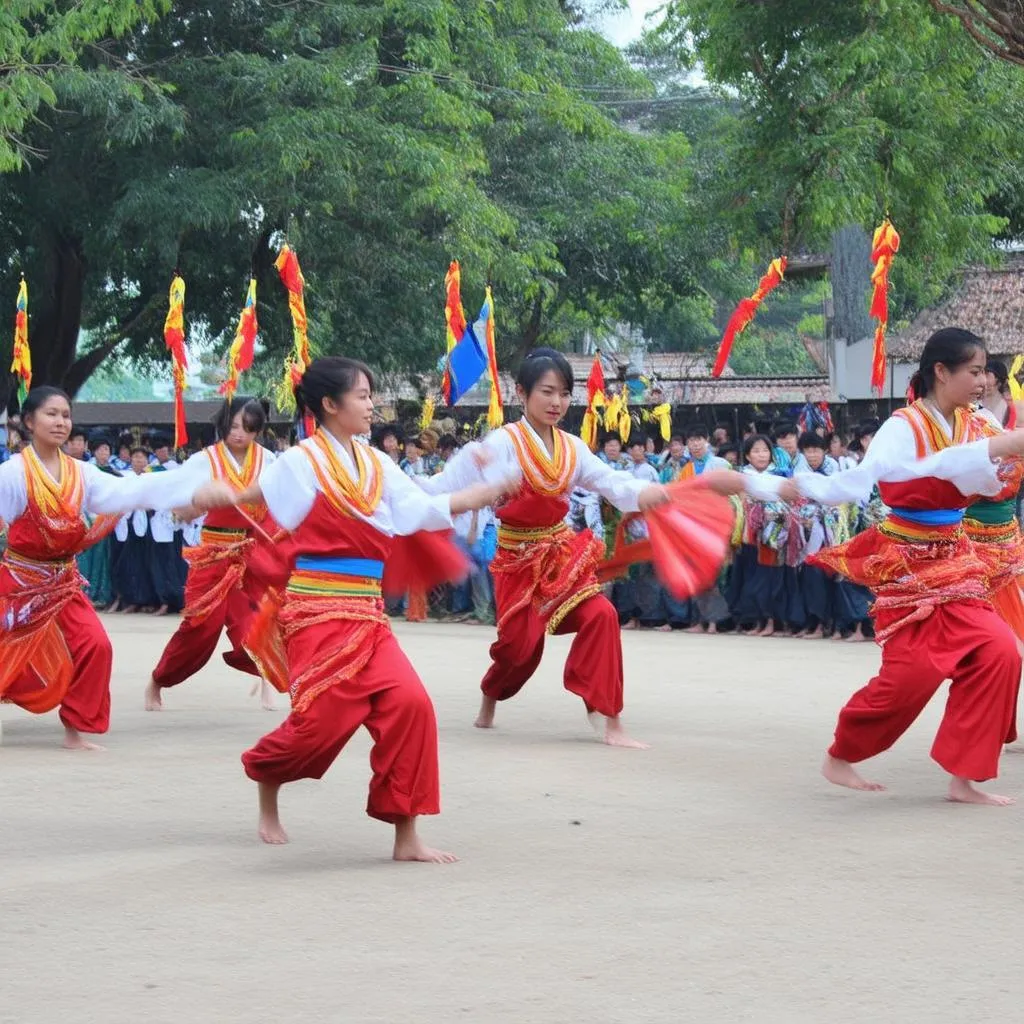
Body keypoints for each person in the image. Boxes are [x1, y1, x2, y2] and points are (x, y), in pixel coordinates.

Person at [203, 356, 506, 859]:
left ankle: (407, 837)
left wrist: (469, 491)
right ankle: (266, 775)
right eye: (363, 396)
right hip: (317, 612)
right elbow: (259, 497)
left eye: (370, 395)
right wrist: (221, 494)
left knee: (412, 706)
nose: (372, 405)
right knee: (317, 728)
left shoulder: (376, 463)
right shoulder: (301, 462)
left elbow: (413, 506)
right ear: (330, 405)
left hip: (367, 613)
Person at [708, 328, 1024, 804]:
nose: (983, 382)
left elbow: (997, 465)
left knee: (1001, 651)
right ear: (942, 372)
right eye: (974, 371)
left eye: (984, 372)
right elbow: (872, 480)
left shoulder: (976, 422)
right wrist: (776, 486)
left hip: (956, 556)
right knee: (912, 675)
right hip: (906, 559)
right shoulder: (904, 427)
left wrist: (1003, 449)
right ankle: (841, 753)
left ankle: (965, 776)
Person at [420, 348, 669, 746]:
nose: (557, 403)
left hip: (560, 554)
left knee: (601, 614)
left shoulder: (573, 447)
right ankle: (490, 695)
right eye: (548, 392)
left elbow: (612, 483)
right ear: (522, 393)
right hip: (516, 559)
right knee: (520, 648)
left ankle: (609, 718)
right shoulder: (502, 443)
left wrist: (649, 493)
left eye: (565, 393)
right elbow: (445, 487)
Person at [0, 387, 228, 749]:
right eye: (51, 414)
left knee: (96, 645)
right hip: (19, 583)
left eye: (65, 415)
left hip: (62, 583)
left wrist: (196, 488)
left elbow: (131, 492)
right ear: (29, 422)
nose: (60, 422)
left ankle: (76, 729)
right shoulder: (13, 474)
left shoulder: (81, 474)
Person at [145, 397, 279, 711]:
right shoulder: (204, 461)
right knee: (199, 629)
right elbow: (181, 510)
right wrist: (203, 502)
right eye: (233, 426)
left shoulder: (270, 460)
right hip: (213, 555)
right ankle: (158, 679)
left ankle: (266, 679)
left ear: (258, 430)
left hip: (252, 553)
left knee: (256, 625)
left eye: (247, 428)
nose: (238, 434)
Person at [75, 436, 120, 609]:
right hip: (87, 520)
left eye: (107, 450)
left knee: (102, 560)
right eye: (101, 449)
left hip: (105, 521)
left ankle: (100, 595)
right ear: (94, 451)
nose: (104, 453)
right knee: (85, 559)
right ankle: (84, 593)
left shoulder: (114, 474)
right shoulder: (88, 471)